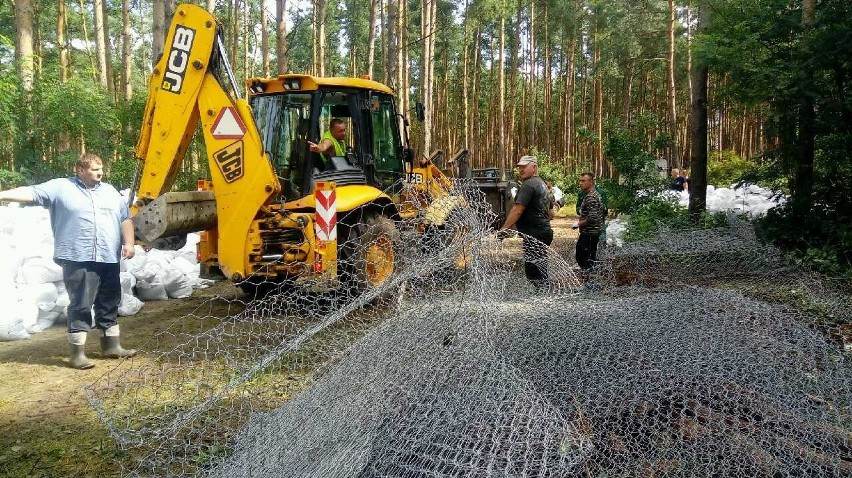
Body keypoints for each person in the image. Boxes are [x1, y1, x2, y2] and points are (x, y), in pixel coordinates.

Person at [0, 153, 138, 369]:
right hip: (77, 257)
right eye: (94, 169)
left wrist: (129, 243)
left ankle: (111, 346)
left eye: (101, 169)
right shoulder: (61, 188)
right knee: (81, 303)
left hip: (109, 256)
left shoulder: (110, 192)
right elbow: (31, 193)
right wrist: (3, 195)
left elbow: (125, 219)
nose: (100, 173)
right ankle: (77, 354)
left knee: (110, 300)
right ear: (80, 170)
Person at [498, 155, 554, 291]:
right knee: (539, 264)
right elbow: (551, 213)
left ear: (534, 167)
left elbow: (517, 209)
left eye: (524, 166)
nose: (521, 169)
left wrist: (504, 228)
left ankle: (543, 295)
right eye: (520, 167)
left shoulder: (528, 185)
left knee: (533, 270)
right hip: (543, 231)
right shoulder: (542, 184)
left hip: (535, 234)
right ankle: (542, 293)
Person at [576, 172, 605, 281]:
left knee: (582, 258)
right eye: (580, 180)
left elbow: (592, 217)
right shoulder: (593, 195)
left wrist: (577, 224)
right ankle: (591, 281)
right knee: (590, 258)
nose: (580, 183)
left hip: (589, 233)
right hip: (593, 232)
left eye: (583, 181)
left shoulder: (591, 197)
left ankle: (590, 282)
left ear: (591, 182)